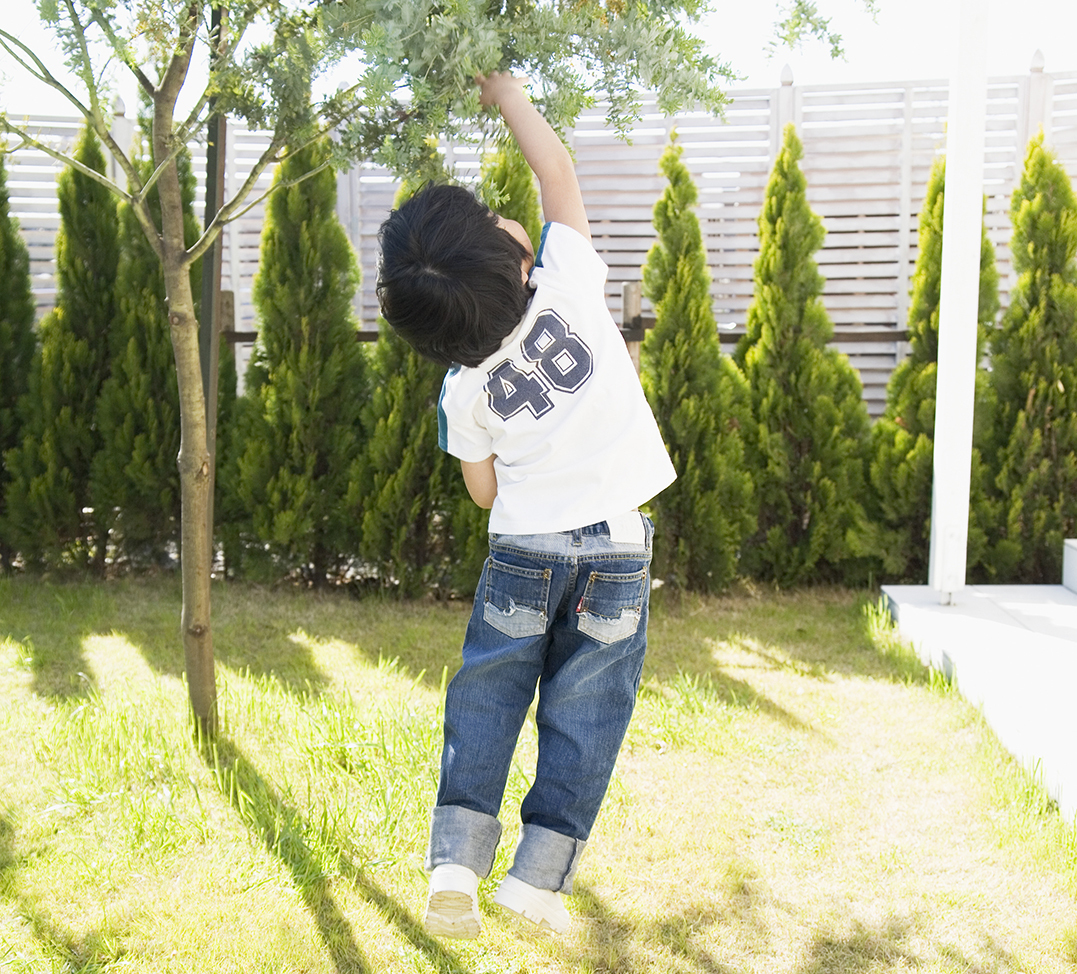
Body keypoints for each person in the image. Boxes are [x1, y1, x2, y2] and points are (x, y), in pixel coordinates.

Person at [376, 71, 676, 939]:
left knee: (485, 702)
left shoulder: (462, 385)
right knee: (585, 717)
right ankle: (536, 882)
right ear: (515, 259)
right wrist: (506, 94)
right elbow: (556, 173)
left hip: (521, 553)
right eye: (499, 225)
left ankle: (456, 864)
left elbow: (482, 490)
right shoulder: (570, 282)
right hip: (617, 549)